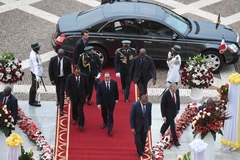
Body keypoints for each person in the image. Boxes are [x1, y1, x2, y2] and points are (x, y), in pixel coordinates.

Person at [49, 48, 72, 115]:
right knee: (57, 90)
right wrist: (52, 79)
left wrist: (69, 79)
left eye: (62, 55)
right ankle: (58, 100)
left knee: (61, 92)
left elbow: (69, 71)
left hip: (63, 78)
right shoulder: (53, 60)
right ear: (57, 54)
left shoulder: (67, 60)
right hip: (56, 79)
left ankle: (61, 108)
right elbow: (50, 70)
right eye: (60, 55)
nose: (61, 57)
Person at [96, 72, 119, 136]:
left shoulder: (114, 83)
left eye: (108, 78)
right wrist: (98, 103)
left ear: (110, 77)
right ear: (103, 78)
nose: (107, 79)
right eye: (106, 78)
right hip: (103, 102)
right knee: (104, 113)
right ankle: (105, 122)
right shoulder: (100, 84)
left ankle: (110, 129)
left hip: (111, 102)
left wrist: (116, 99)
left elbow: (116, 91)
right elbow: (98, 94)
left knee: (110, 114)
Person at [29, 41, 43, 107]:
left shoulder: (35, 53)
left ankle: (32, 100)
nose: (39, 48)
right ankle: (32, 101)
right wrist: (38, 76)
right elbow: (35, 66)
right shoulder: (34, 56)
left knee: (34, 87)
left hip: (36, 73)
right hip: (36, 73)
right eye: (37, 47)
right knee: (34, 87)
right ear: (34, 48)